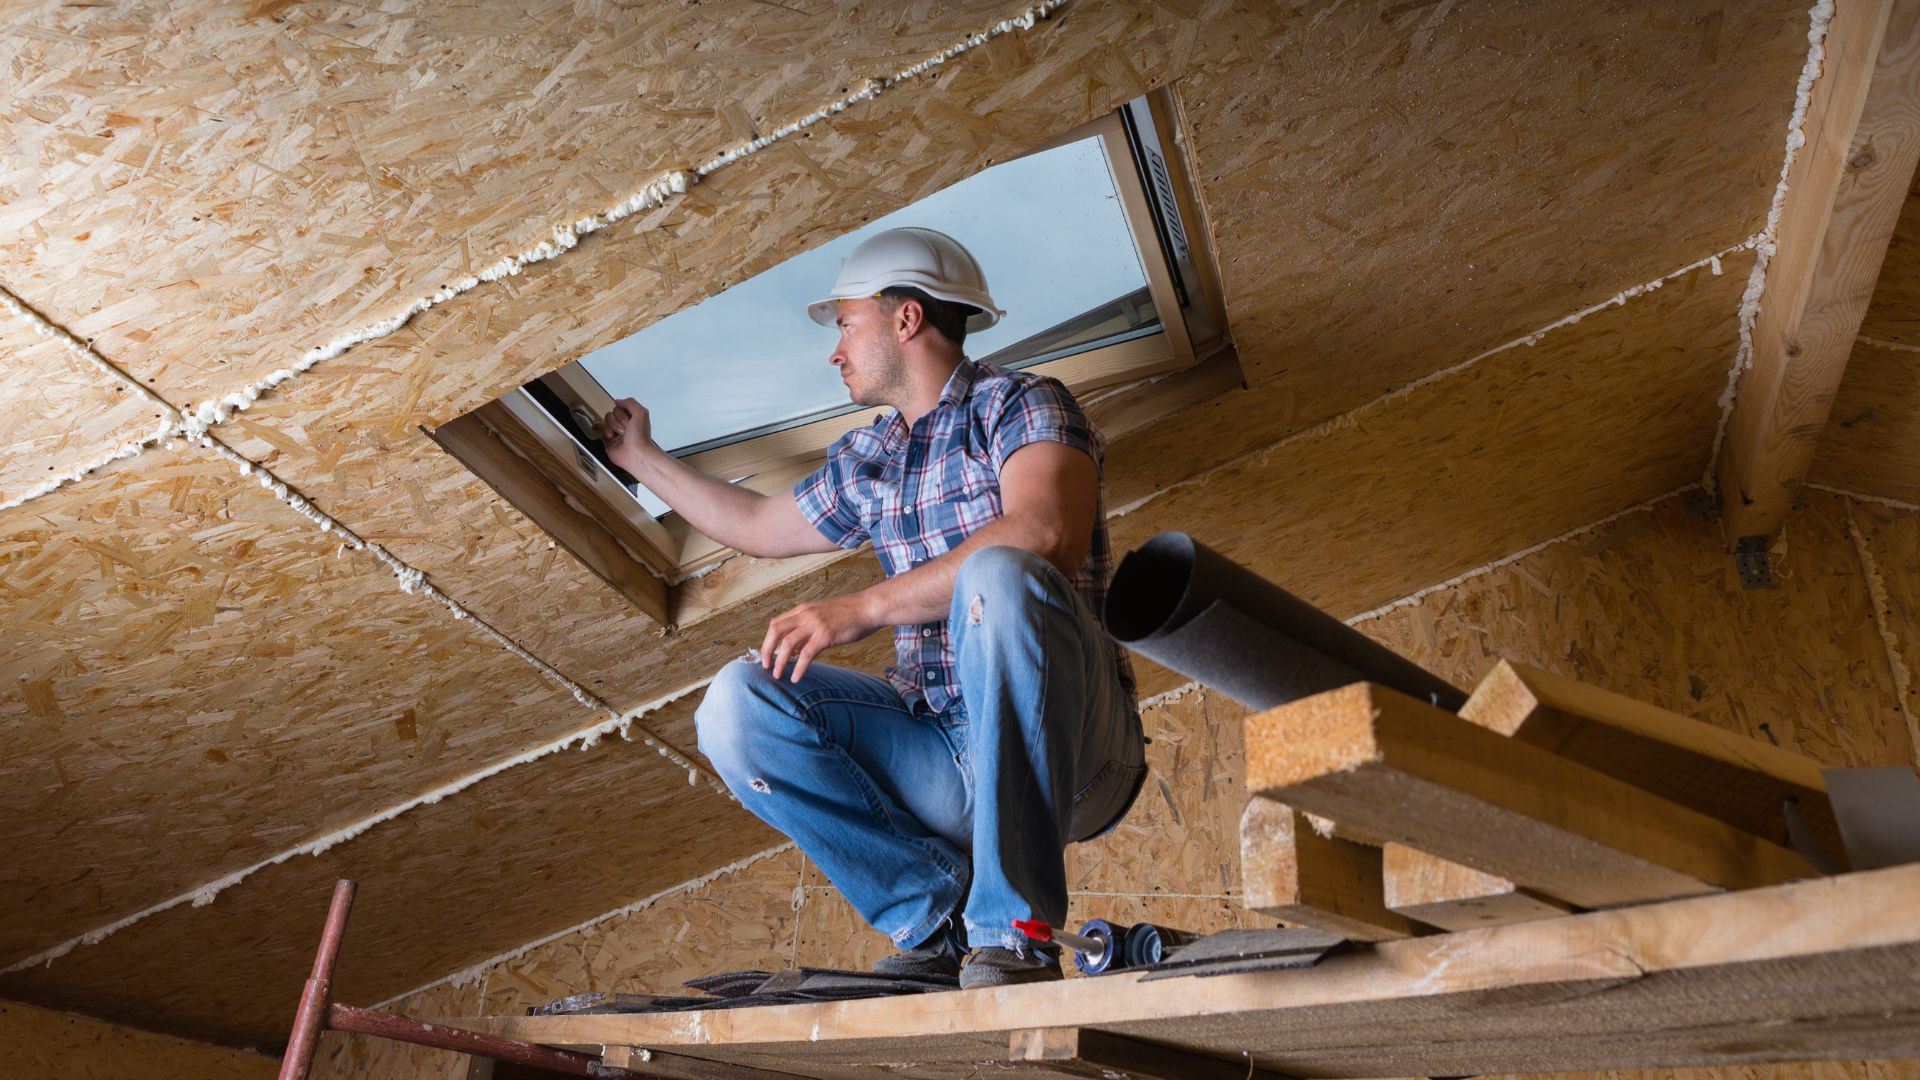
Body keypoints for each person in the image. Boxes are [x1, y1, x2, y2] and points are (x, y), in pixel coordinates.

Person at [596, 227, 1144, 988]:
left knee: (1002, 576)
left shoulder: (1020, 402)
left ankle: (1013, 932)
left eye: (847, 324)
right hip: (943, 754)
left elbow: (1044, 534)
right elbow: (756, 527)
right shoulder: (872, 456)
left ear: (906, 318)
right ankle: (937, 920)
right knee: (737, 704)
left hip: (1079, 752)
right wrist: (641, 459)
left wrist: (863, 607)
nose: (835, 349)